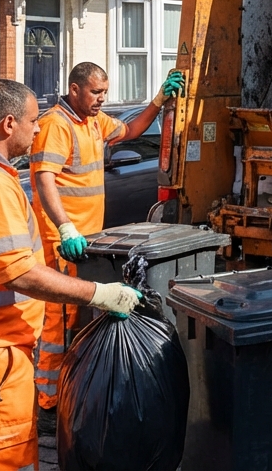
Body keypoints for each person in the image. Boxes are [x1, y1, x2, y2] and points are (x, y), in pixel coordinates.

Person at [0, 80, 141, 471]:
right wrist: (100, 294)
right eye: (32, 121)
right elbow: (18, 272)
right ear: (8, 124)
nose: (37, 129)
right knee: (3, 460)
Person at [30, 63, 184, 425]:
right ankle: (47, 402)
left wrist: (159, 101)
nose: (102, 99)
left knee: (80, 318)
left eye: (105, 92)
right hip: (63, 241)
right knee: (59, 321)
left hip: (89, 241)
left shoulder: (95, 123)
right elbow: (44, 180)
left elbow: (131, 129)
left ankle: (71, 391)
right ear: (74, 90)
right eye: (96, 93)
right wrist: (65, 227)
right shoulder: (57, 124)